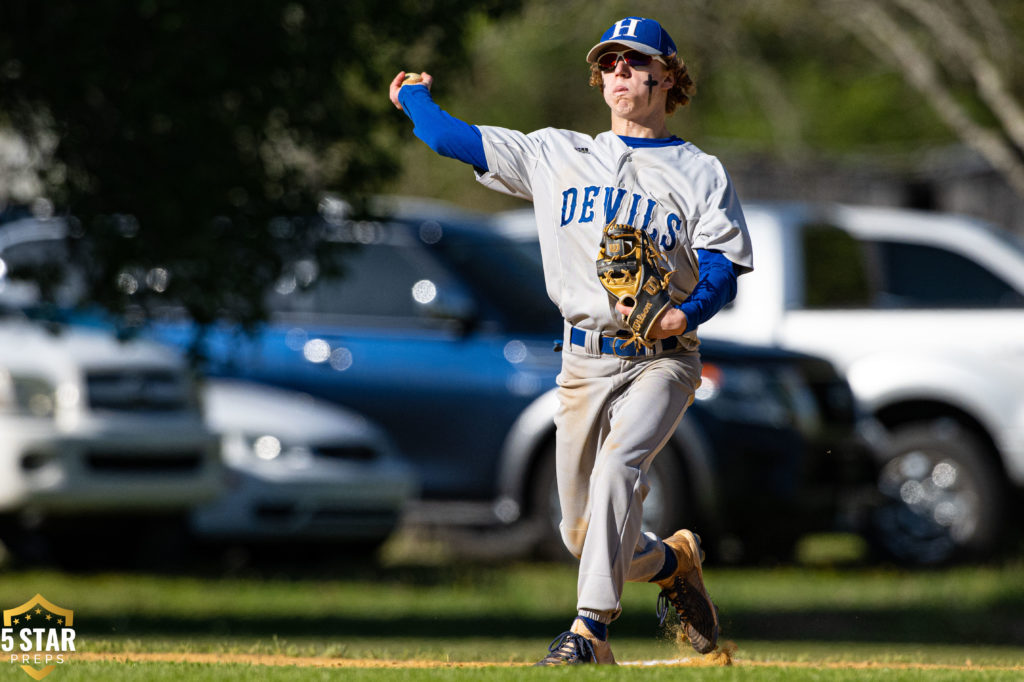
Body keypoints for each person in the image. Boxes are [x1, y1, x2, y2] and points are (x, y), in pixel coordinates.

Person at [389, 15, 753, 666]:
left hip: (661, 361)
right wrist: (412, 94)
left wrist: (685, 313)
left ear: (667, 76)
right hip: (582, 359)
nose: (619, 72)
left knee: (620, 466)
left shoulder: (699, 171)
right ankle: (672, 560)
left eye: (634, 62)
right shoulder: (554, 153)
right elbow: (450, 139)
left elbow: (722, 268)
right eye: (609, 63)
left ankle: (589, 634)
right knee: (582, 533)